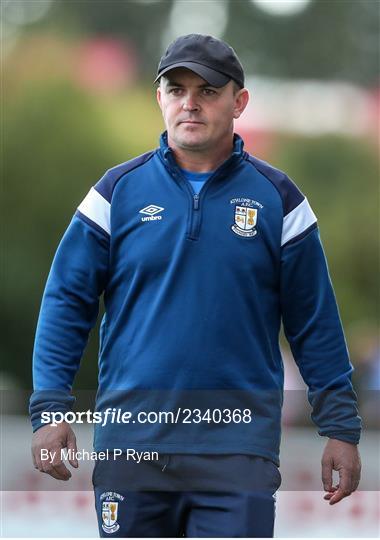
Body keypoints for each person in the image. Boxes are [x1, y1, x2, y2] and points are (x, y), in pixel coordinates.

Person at [30, 34, 362, 537]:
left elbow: (313, 321)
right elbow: (65, 303)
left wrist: (339, 426)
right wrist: (50, 409)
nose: (190, 102)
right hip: (131, 444)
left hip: (237, 450)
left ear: (239, 101)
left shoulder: (281, 201)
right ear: (159, 97)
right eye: (176, 88)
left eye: (207, 90)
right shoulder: (115, 194)